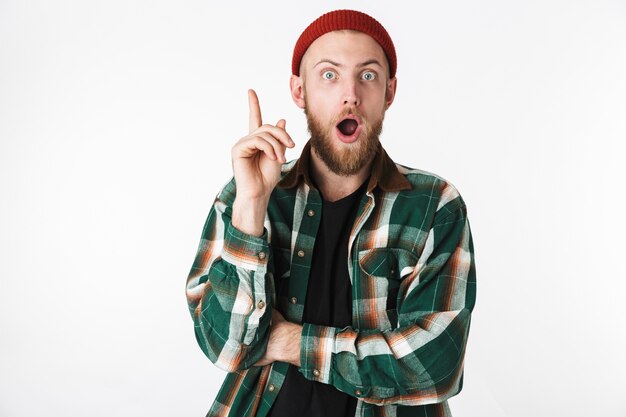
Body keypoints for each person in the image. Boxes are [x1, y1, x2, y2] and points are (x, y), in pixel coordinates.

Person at [186, 9, 476, 417]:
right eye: (329, 75)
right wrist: (251, 207)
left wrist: (289, 341)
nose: (351, 93)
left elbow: (434, 366)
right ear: (299, 90)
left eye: (368, 75)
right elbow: (226, 346)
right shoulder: (246, 195)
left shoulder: (434, 205)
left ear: (389, 92)